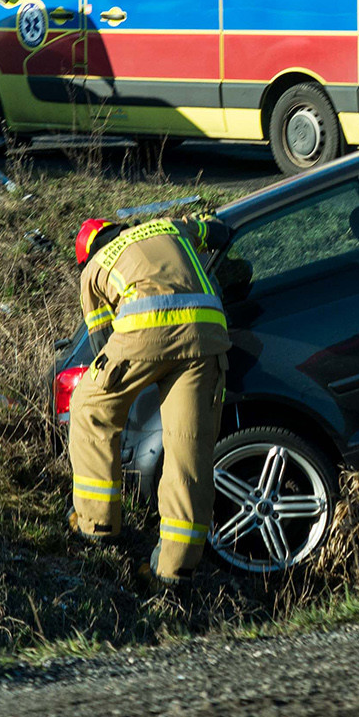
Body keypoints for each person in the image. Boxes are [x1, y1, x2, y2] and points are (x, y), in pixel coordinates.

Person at [66, 213, 233, 589]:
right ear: (119, 229)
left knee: (91, 408)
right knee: (189, 452)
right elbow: (216, 230)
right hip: (206, 335)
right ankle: (174, 569)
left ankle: (97, 524)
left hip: (145, 331)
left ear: (87, 252)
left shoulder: (94, 268)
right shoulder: (171, 225)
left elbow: (101, 341)